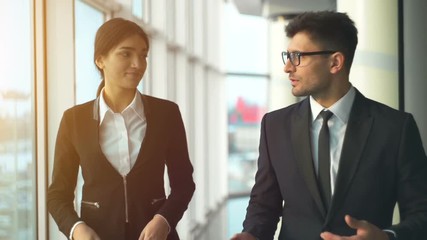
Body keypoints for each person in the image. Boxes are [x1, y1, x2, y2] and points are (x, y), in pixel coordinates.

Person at [231, 11, 427, 240]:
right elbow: (264, 204)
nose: (287, 68)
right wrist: (251, 235)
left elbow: (422, 214)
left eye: (298, 57)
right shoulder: (274, 126)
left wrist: (387, 237)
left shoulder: (396, 128)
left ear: (335, 62)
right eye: (288, 56)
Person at [47, 18, 195, 240]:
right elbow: (58, 194)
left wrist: (164, 220)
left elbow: (184, 183)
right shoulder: (74, 120)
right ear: (100, 60)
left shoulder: (167, 114)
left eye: (143, 55)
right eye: (126, 54)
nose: (138, 64)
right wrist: (77, 228)